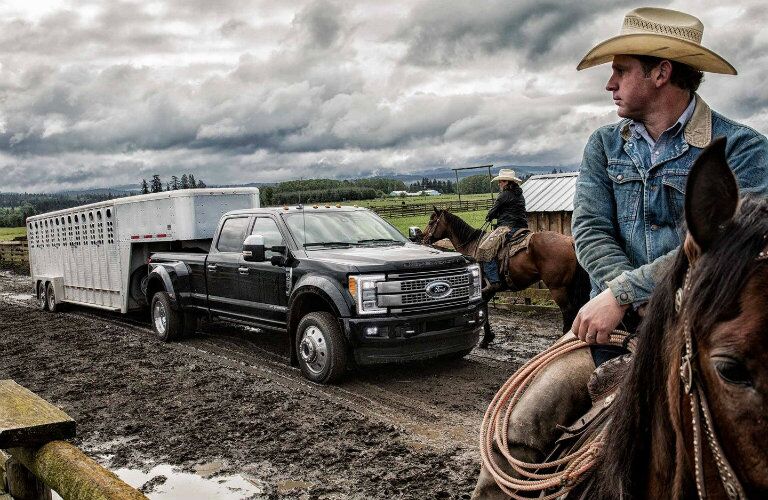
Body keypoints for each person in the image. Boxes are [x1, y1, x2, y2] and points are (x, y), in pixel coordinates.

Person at [472, 7, 768, 499]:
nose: (609, 84)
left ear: (661, 72)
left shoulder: (742, 150)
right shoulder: (604, 146)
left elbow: (738, 248)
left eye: (621, 70)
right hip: (614, 331)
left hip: (707, 334)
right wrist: (618, 297)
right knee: (519, 429)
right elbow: (590, 229)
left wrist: (623, 292)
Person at [481, 169, 528, 299]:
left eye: (501, 181)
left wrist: (489, 217)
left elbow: (492, 212)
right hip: (522, 227)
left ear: (508, 182)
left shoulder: (504, 195)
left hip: (507, 227)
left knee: (485, 249)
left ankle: (494, 282)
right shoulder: (520, 194)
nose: (499, 183)